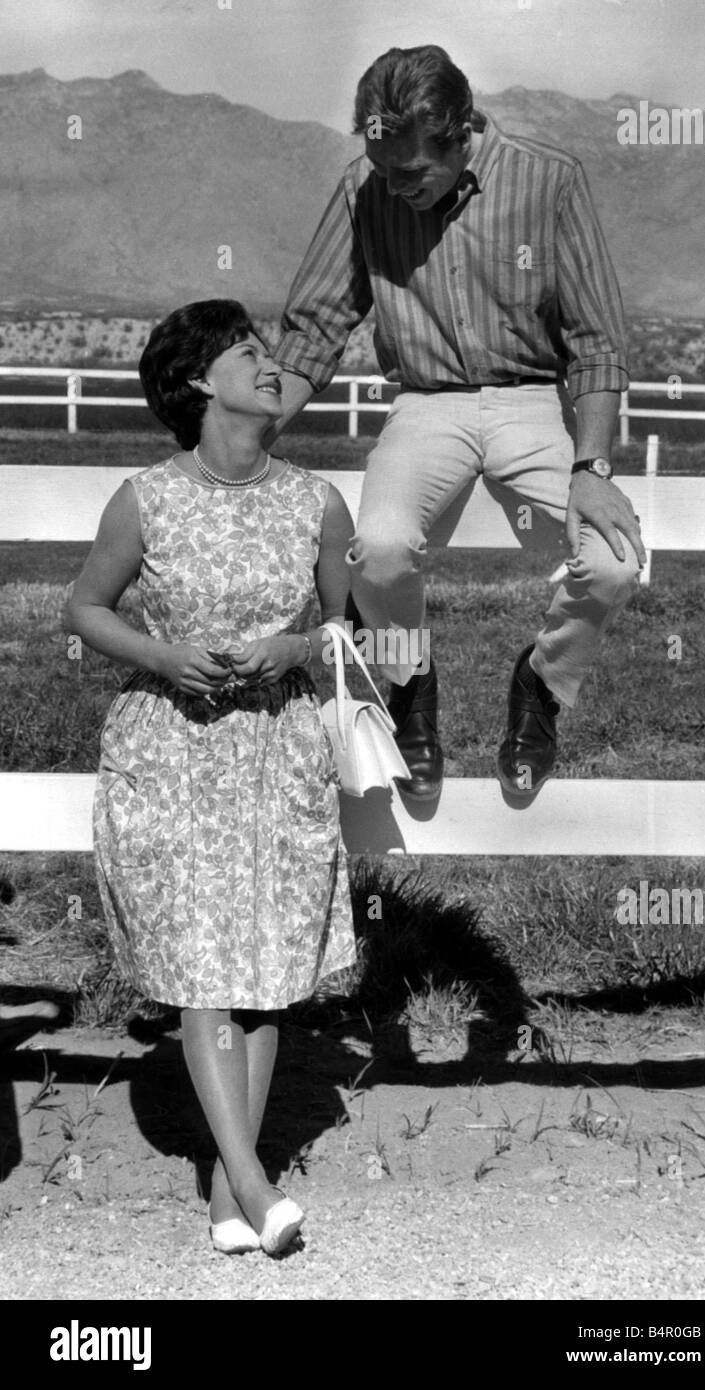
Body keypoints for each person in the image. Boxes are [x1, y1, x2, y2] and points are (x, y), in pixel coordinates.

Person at [268, 44, 646, 802]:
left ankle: (541, 684)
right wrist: (246, 437)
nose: (393, 186)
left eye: (411, 171)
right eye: (381, 168)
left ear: (460, 132)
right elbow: (315, 328)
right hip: (423, 403)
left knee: (611, 562)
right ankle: (409, 682)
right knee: (375, 551)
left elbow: (596, 340)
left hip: (533, 400)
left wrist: (592, 467)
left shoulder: (549, 179)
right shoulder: (362, 189)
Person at [64, 299, 356, 1257]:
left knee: (264, 972)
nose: (270, 366)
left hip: (277, 750)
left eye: (269, 352)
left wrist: (296, 645)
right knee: (200, 965)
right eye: (246, 353)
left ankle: (232, 1202)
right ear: (198, 381)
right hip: (171, 753)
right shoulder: (145, 498)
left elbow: (346, 627)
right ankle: (258, 1183)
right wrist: (163, 657)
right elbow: (85, 608)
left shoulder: (318, 502)